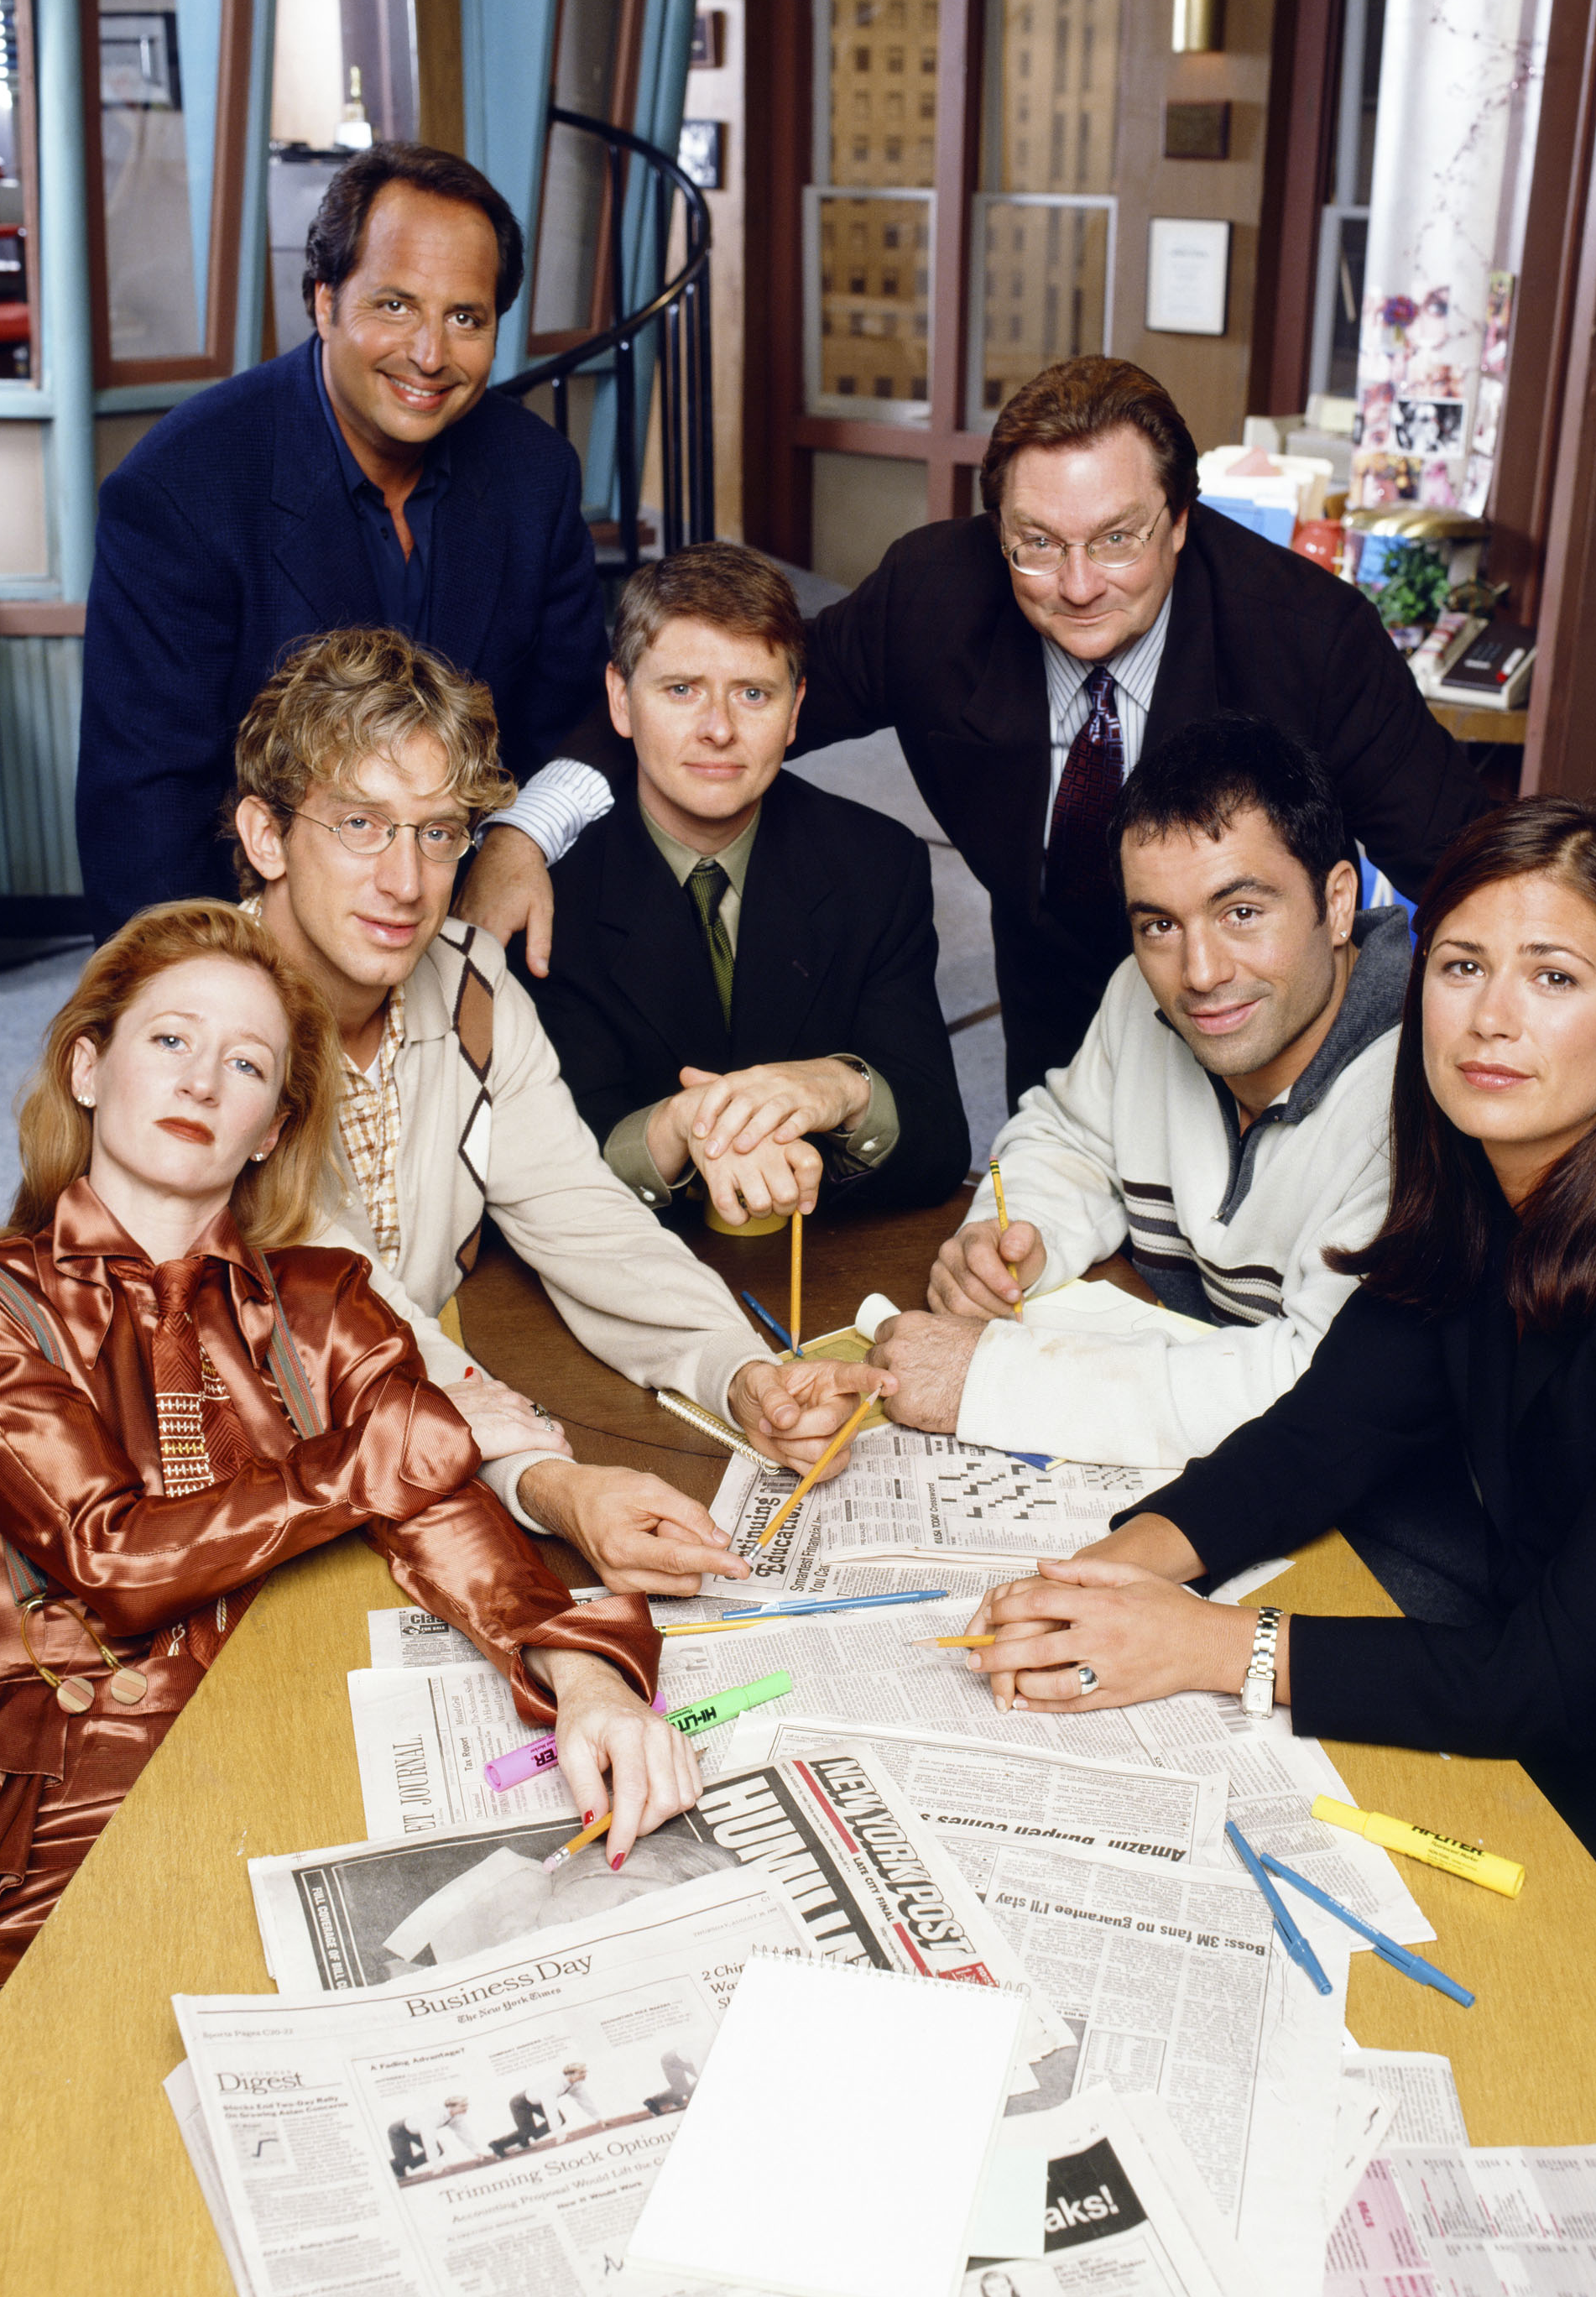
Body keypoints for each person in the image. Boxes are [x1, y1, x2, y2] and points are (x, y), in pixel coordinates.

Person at [964, 800, 1596, 2095]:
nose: (1489, 1018)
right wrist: (1119, 1566)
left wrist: (1214, 1645)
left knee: (1316, 2050)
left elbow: (1555, 1677)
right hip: (1557, 1745)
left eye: (1552, 977)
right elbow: (1326, 1431)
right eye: (1460, 967)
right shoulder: (1480, 1179)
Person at [0, 901, 693, 2230]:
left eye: (245, 1066)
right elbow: (109, 1559)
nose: (198, 1079)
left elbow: (454, 1528)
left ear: (273, 1126)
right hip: (74, 1777)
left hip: (301, 1742)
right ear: (86, 1067)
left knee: (427, 2152)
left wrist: (589, 1685)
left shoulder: (326, 1300)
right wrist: (371, 1454)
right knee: (28, 2188)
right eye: (168, 1038)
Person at [475, 355, 1490, 1107]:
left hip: (1271, 1014)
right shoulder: (935, 595)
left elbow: (1460, 860)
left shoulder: (1305, 635)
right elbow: (726, 703)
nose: (1080, 585)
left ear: (1181, 519)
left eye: (1118, 539)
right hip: (1050, 979)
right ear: (994, 529)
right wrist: (527, 828)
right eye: (1035, 545)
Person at [229, 628, 888, 1596]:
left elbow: (580, 1217)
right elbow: (333, 1304)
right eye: (360, 825)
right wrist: (546, 1481)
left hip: (413, 1437)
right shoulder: (202, 1024)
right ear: (264, 836)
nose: (406, 883)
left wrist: (738, 1375)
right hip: (240, 1477)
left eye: (439, 832)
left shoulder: (472, 986)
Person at [77, 142, 608, 945]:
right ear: (323, 301)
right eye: (394, 305)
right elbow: (143, 815)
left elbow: (574, 722)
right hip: (262, 944)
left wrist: (520, 836)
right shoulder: (181, 487)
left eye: (465, 318)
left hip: (471, 918)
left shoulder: (536, 474)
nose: (429, 355)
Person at [868, 717, 1405, 1474]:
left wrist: (993, 1382)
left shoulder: (1428, 1092)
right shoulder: (1140, 996)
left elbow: (1323, 1390)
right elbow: (1067, 1137)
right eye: (1158, 924)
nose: (1200, 972)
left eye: (1241, 912)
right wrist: (1020, 1233)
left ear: (1338, 902)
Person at [515, 545, 971, 1225]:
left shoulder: (877, 864)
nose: (719, 730)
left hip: (822, 1260)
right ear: (619, 699)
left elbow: (939, 1144)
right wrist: (671, 1132)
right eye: (680, 690)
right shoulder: (551, 892)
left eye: (753, 694)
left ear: (794, 712)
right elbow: (525, 1174)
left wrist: (844, 1089)